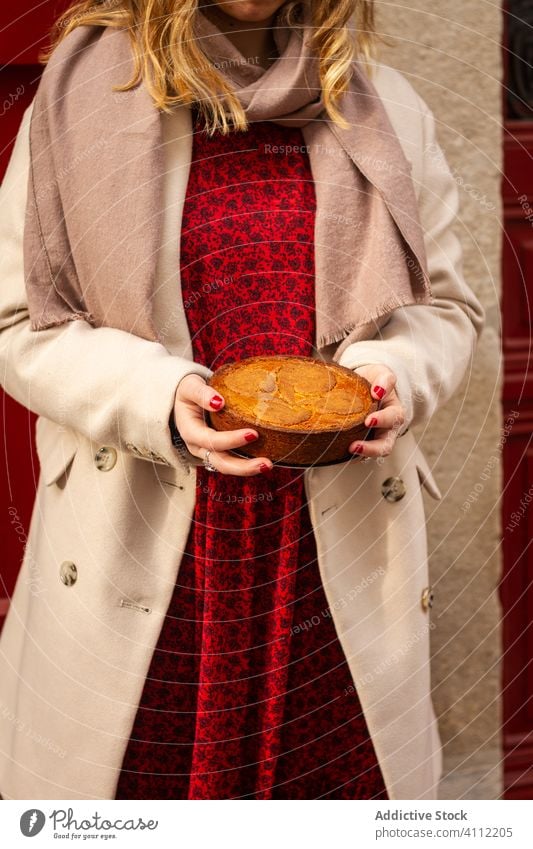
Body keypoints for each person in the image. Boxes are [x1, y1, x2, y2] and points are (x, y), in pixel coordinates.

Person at [0, 0, 484, 800]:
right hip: (151, 538)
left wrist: (393, 370)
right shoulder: (83, 97)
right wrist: (156, 395)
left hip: (327, 552)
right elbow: (19, 320)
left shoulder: (384, 107)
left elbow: (445, 309)